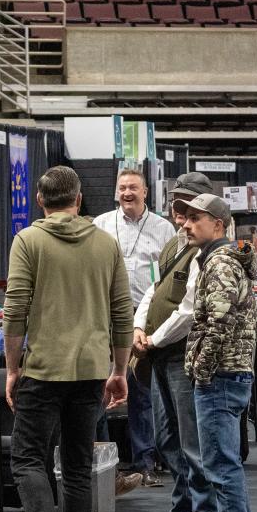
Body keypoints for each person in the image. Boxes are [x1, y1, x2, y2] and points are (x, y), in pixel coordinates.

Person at [3, 166, 133, 512]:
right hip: (91, 370)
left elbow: (15, 309)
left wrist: (11, 368)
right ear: (79, 200)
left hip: (43, 369)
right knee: (77, 469)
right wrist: (119, 370)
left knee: (27, 461)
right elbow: (122, 313)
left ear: (40, 200)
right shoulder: (106, 244)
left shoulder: (29, 241)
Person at [133, 173, 220, 512]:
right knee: (168, 442)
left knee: (192, 445)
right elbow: (153, 290)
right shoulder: (173, 245)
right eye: (175, 205)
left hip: (182, 356)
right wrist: (138, 326)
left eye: (186, 206)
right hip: (160, 355)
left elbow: (188, 311)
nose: (178, 212)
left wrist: (152, 338)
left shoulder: (207, 251)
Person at [181, 194, 257, 512]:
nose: (185, 224)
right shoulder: (230, 262)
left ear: (218, 224)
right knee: (222, 463)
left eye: (195, 218)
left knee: (221, 465)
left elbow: (218, 322)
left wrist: (202, 367)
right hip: (232, 373)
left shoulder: (220, 264)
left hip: (220, 378)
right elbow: (255, 323)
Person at [93, 168, 176, 487]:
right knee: (101, 390)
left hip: (143, 319)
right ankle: (105, 466)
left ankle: (146, 461)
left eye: (133, 188)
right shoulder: (100, 224)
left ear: (145, 193)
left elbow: (168, 277)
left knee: (142, 392)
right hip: (105, 316)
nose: (127, 193)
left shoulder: (163, 228)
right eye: (122, 187)